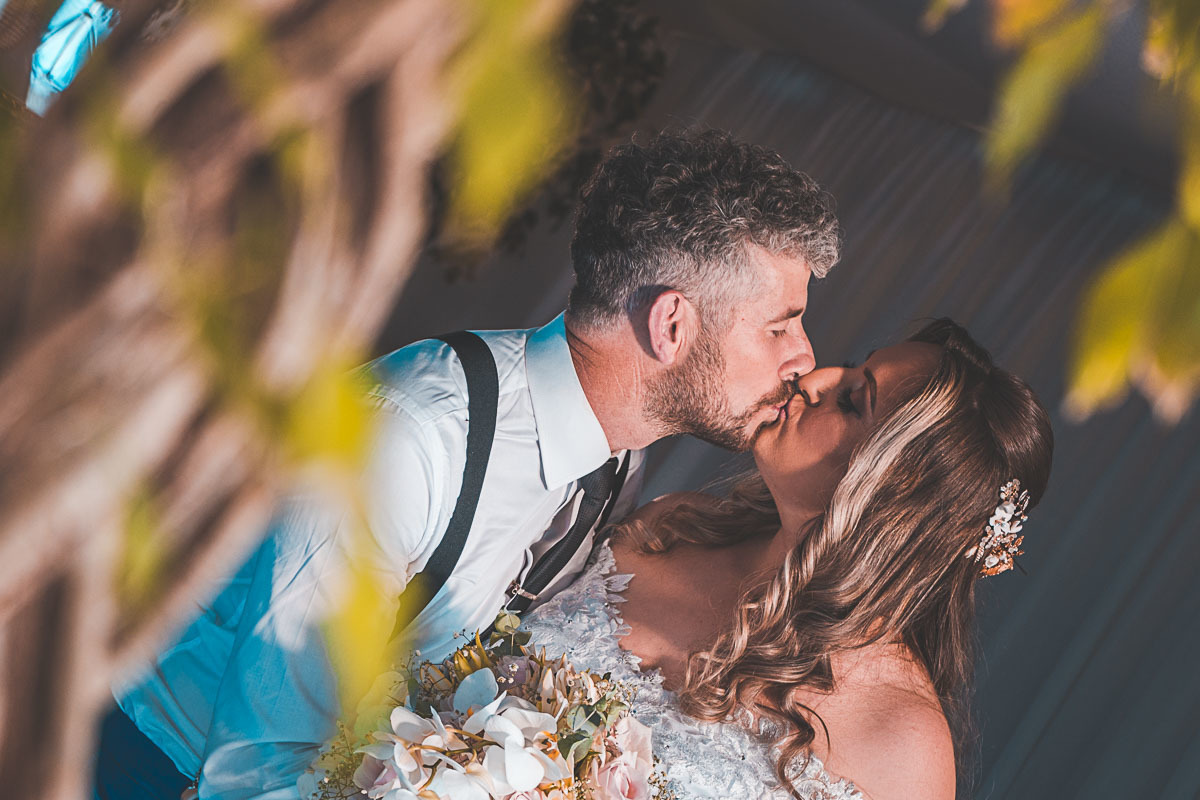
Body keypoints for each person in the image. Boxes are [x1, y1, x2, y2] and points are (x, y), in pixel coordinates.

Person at [95, 129, 842, 799]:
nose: (803, 357)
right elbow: (253, 765)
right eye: (781, 325)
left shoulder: (614, 462)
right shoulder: (413, 441)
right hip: (146, 767)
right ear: (671, 324)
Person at [518, 319, 1054, 800]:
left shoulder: (901, 748)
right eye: (849, 369)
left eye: (851, 400)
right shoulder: (672, 526)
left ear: (894, 493)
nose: (813, 378)